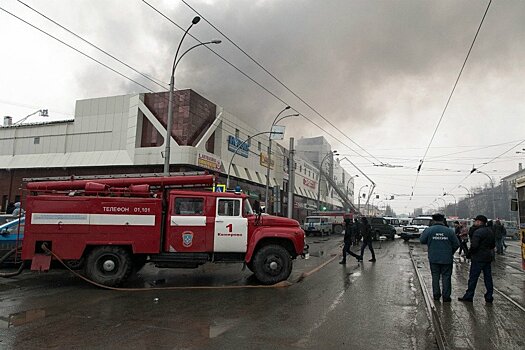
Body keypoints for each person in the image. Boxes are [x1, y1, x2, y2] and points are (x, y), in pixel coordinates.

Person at [420, 214, 459, 302]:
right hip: (447, 258)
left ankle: (436, 295)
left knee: (435, 276)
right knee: (446, 277)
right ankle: (446, 297)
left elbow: (422, 240)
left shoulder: (429, 230)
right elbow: (456, 244)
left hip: (433, 257)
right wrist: (450, 252)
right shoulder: (449, 231)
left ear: (433, 220)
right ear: (443, 220)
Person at [458, 215, 496, 303]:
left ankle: (469, 296)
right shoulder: (490, 231)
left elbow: (474, 245)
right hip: (487, 257)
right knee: (488, 278)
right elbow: (493, 245)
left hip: (478, 258)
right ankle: (489, 296)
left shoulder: (478, 232)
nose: (474, 223)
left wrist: (469, 254)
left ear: (479, 222)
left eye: (476, 221)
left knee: (473, 278)